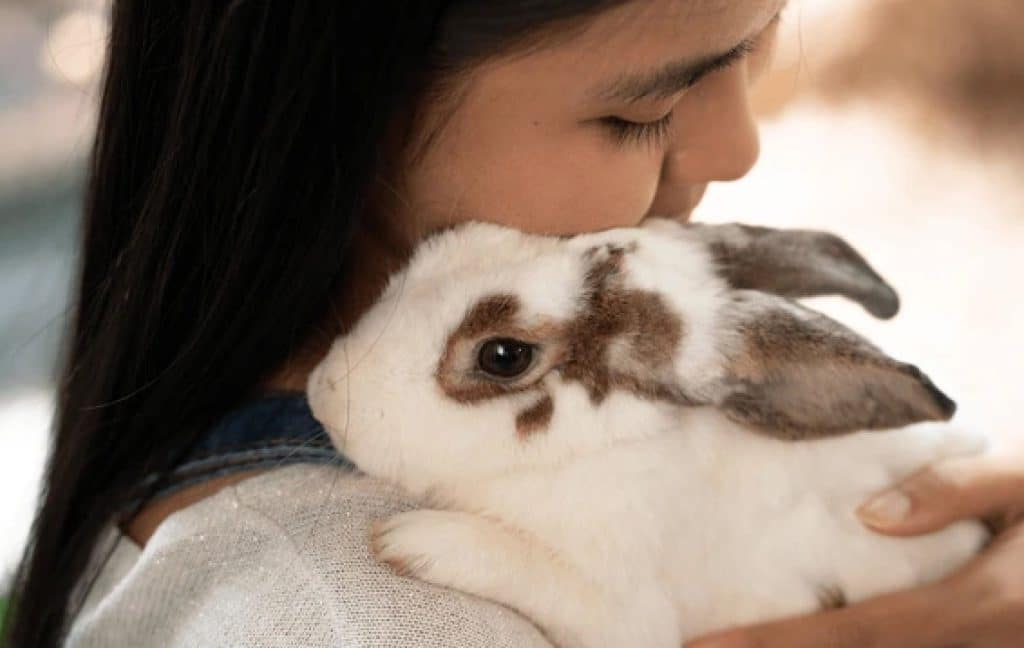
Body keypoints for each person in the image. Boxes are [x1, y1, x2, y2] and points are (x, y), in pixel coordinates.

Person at [6, 1, 1023, 646]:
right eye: (638, 113)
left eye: (757, 43)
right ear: (349, 98)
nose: (740, 149)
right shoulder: (366, 616)